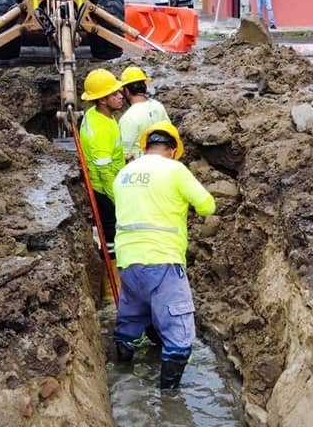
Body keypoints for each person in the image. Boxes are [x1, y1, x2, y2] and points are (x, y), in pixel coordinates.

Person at [112, 121, 216, 389]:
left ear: (145, 147)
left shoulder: (124, 173)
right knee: (179, 334)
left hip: (127, 261)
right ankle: (169, 401)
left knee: (131, 320)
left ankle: (122, 379)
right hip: (163, 259)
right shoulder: (174, 170)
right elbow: (207, 205)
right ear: (171, 150)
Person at [79, 69, 125, 300]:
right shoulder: (99, 129)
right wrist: (119, 199)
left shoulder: (99, 115)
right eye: (114, 93)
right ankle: (110, 292)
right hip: (106, 191)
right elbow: (104, 171)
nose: (120, 96)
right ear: (101, 99)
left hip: (111, 182)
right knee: (111, 240)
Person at [118, 66, 170, 162]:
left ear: (126, 90)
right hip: (162, 162)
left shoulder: (128, 118)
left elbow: (123, 152)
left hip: (141, 167)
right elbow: (169, 132)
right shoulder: (158, 106)